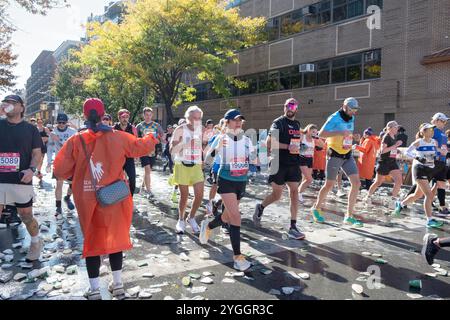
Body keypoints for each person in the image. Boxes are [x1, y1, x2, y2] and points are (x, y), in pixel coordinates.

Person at [53, 98, 158, 300]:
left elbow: (59, 170)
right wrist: (152, 135)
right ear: (104, 114)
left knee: (92, 240)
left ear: (84, 116)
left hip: (86, 198)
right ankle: (118, 285)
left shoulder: (76, 140)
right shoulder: (119, 137)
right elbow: (141, 147)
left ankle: (93, 290)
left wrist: (77, 172)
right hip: (115, 197)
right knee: (115, 238)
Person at [200, 109, 255, 271]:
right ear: (227, 122)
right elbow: (208, 158)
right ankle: (237, 257)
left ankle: (208, 226)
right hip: (225, 180)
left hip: (241, 181)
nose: (238, 123)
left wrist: (264, 157)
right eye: (235, 120)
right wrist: (217, 149)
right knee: (235, 217)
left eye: (240, 120)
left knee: (226, 216)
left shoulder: (246, 140)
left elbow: (254, 159)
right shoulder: (222, 138)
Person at [253, 98, 306, 240]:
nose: (291, 108)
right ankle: (261, 207)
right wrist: (287, 146)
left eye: (293, 106)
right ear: (284, 107)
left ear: (296, 108)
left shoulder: (296, 124)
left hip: (293, 162)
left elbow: (296, 141)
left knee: (294, 192)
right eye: (288, 105)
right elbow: (269, 143)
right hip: (279, 163)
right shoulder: (278, 123)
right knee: (277, 195)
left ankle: (293, 226)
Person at [0, 94, 43, 261]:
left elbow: (37, 153)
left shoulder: (30, 129)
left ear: (21, 107)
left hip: (21, 178)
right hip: (0, 178)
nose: (8, 105)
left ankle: (35, 241)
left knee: (26, 216)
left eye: (12, 102)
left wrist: (32, 170)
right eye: (6, 102)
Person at [310, 97, 363, 227]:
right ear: (345, 107)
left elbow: (347, 133)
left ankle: (349, 216)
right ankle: (316, 208)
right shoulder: (334, 118)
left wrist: (354, 136)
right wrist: (340, 132)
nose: (354, 113)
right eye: (352, 110)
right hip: (334, 155)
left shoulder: (352, 117)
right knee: (329, 185)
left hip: (347, 154)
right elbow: (321, 133)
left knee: (356, 183)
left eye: (355, 110)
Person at [394, 123, 444, 228]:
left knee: (418, 195)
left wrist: (442, 152)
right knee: (429, 195)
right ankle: (429, 220)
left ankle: (401, 204)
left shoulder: (434, 142)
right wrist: (417, 158)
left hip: (430, 169)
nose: (432, 131)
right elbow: (407, 152)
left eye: (432, 130)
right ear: (423, 132)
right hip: (420, 169)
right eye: (429, 130)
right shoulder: (418, 142)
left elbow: (436, 152)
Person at [170, 106, 204, 234]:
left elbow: (201, 147)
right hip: (182, 165)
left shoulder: (200, 130)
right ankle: (181, 219)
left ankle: (191, 217)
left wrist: (202, 160)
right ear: (187, 118)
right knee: (184, 196)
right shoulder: (180, 129)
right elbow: (172, 150)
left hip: (196, 165)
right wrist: (187, 144)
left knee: (199, 195)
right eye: (194, 118)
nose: (196, 121)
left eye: (199, 118)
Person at [365, 121, 403, 205]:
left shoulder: (394, 137)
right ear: (390, 128)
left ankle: (393, 200)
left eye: (397, 127)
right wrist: (396, 145)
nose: (397, 129)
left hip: (392, 162)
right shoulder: (386, 137)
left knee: (399, 180)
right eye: (395, 127)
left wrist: (397, 150)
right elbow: (383, 150)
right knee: (378, 182)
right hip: (384, 163)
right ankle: (368, 196)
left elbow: (391, 149)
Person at [48, 113, 77, 215]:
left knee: (73, 185)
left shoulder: (73, 132)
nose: (61, 124)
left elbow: (75, 147)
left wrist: (59, 139)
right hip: (59, 161)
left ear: (67, 123)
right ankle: (58, 206)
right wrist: (48, 163)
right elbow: (50, 148)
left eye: (63, 122)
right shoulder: (53, 132)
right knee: (59, 183)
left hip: (72, 161)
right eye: (59, 122)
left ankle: (67, 197)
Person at [136, 107, 165, 198]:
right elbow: (135, 138)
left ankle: (143, 186)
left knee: (148, 171)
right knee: (147, 170)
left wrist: (158, 140)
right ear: (143, 115)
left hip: (153, 151)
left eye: (149, 115)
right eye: (146, 115)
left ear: (152, 115)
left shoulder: (156, 125)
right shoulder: (139, 126)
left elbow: (162, 136)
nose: (148, 116)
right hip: (143, 151)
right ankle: (149, 191)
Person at [114, 109, 138, 196]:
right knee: (115, 179)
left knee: (132, 178)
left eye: (127, 117)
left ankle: (130, 198)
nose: (125, 119)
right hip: (117, 158)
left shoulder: (132, 128)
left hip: (129, 157)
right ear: (119, 118)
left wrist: (137, 156)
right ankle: (116, 198)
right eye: (123, 117)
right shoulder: (114, 128)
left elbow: (136, 142)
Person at [298, 124, 324, 203]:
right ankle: (298, 194)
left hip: (310, 159)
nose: (314, 133)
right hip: (302, 158)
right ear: (308, 130)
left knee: (305, 179)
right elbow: (294, 144)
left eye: (316, 132)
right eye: (313, 132)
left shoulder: (314, 139)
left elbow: (322, 145)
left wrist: (317, 138)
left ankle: (298, 193)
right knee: (309, 179)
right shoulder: (303, 136)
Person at [430, 113, 449, 216]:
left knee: (441, 184)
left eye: (445, 121)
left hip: (441, 161)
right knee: (419, 188)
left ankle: (442, 207)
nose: (445, 123)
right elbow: (426, 143)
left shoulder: (442, 133)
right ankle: (404, 201)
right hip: (432, 161)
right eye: (443, 121)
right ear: (436, 120)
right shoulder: (432, 130)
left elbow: (443, 146)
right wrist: (438, 150)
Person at [36, 119, 50, 183]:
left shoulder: (45, 129)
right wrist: (42, 138)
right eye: (38, 122)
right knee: (38, 159)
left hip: (43, 146)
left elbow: (48, 137)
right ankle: (38, 171)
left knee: (41, 160)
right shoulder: (35, 129)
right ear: (37, 123)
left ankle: (39, 171)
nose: (40, 123)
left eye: (41, 122)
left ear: (42, 122)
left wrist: (40, 139)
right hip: (36, 147)